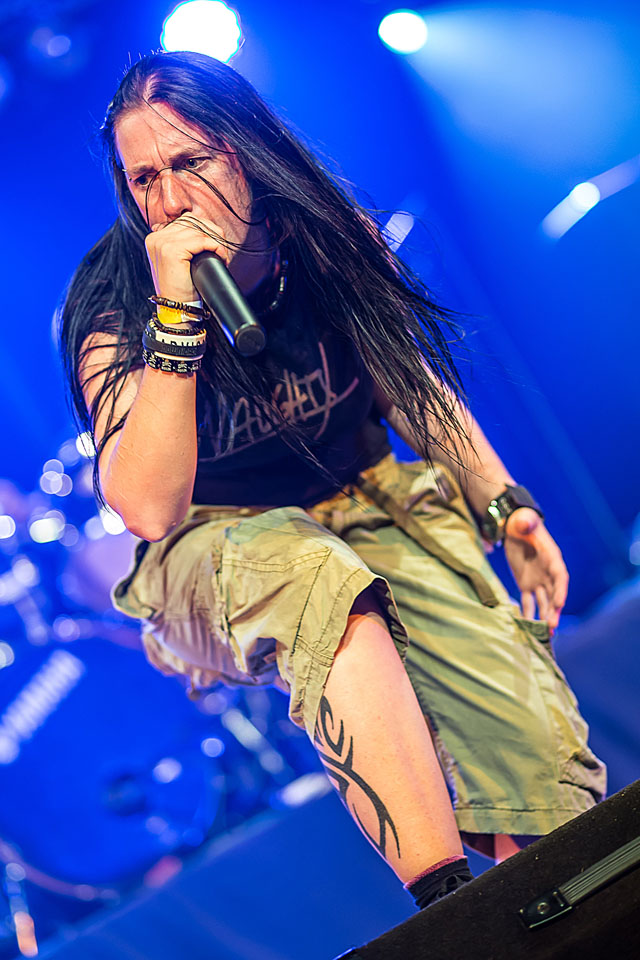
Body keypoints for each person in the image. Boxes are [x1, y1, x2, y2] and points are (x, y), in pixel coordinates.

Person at [59, 50, 606, 910]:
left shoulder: (323, 237)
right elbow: (149, 508)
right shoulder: (113, 306)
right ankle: (448, 911)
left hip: (367, 500)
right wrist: (177, 318)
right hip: (214, 543)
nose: (167, 200)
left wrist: (506, 508)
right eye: (144, 179)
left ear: (246, 151)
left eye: (190, 163)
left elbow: (411, 388)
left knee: (537, 770)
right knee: (309, 571)